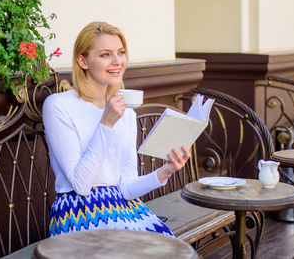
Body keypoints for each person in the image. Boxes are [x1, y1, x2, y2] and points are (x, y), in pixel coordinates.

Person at [42, 21, 191, 237]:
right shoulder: (58, 105)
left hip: (124, 209)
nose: (117, 61)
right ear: (83, 61)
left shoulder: (126, 113)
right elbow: (81, 186)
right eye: (105, 54)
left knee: (169, 250)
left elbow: (126, 187)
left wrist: (165, 171)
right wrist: (107, 123)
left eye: (121, 53)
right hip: (78, 213)